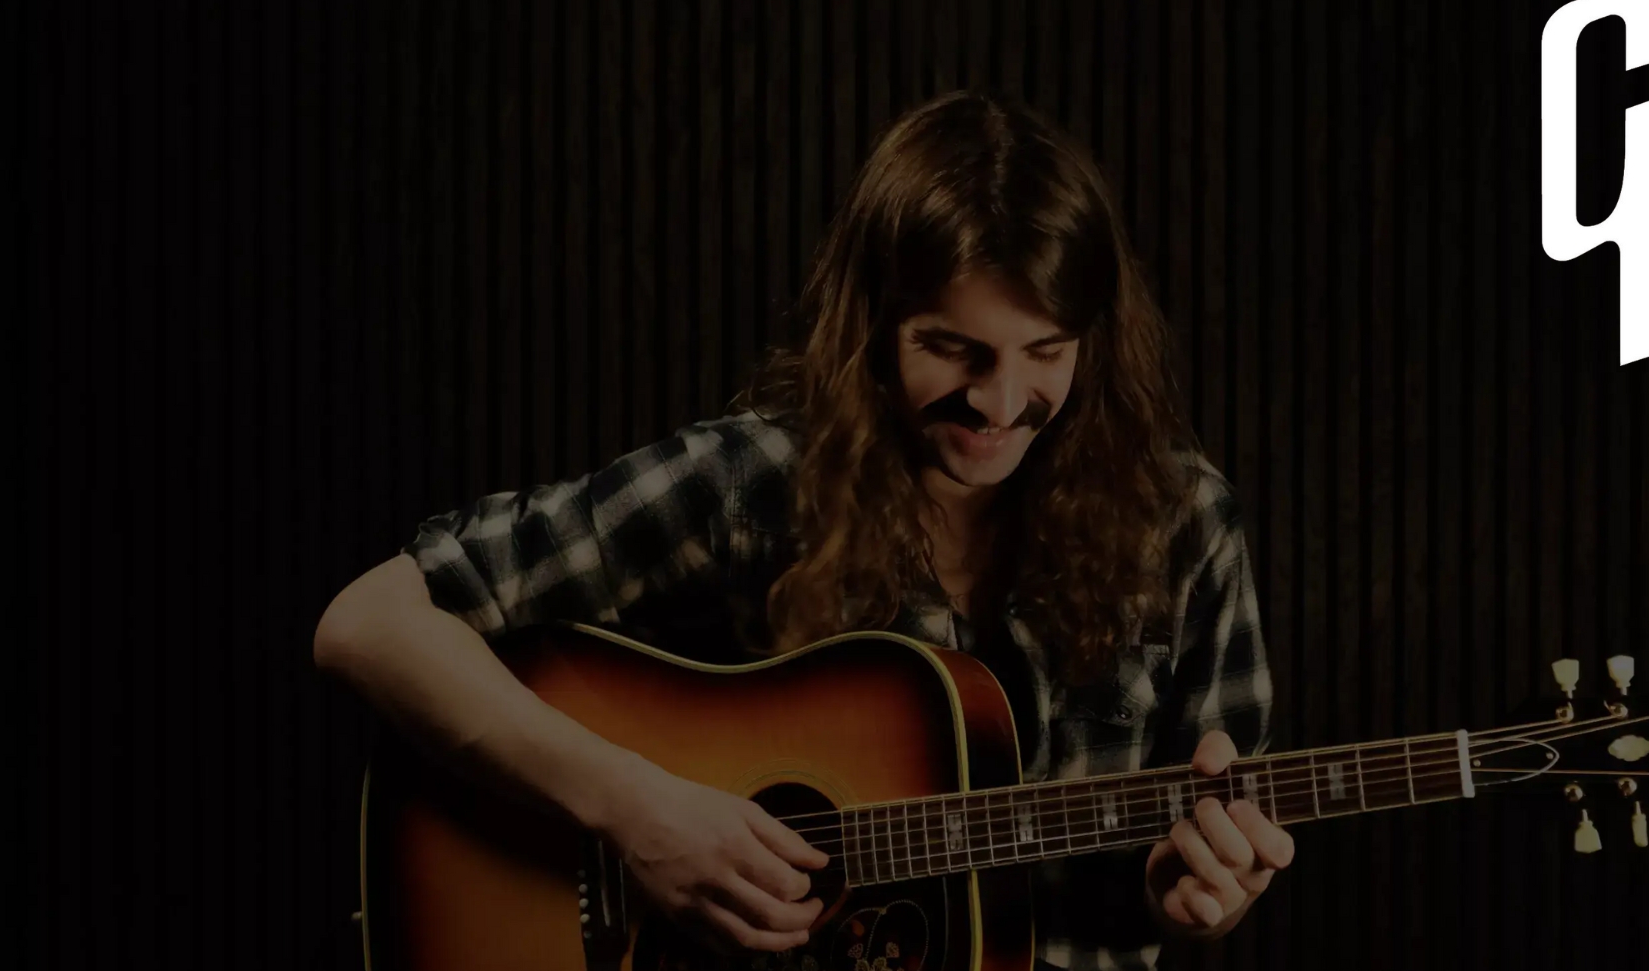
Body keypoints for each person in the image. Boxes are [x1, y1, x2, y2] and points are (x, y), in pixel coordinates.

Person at [313, 90, 1289, 971]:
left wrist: (1200, 895)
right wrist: (635, 809)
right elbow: (367, 624)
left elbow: (1204, 858)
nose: (1000, 403)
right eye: (952, 349)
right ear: (873, 324)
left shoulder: (1183, 528)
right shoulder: (749, 486)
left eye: (1046, 353)